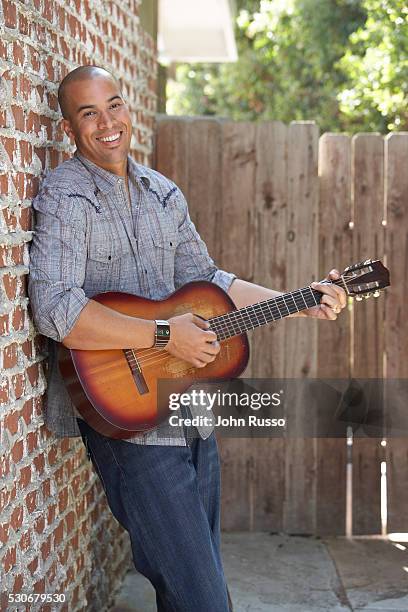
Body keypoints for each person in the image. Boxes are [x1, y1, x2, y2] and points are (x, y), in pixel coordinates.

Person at [28, 66, 346, 612]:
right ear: (68, 127)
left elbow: (212, 283)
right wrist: (161, 333)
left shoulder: (162, 193)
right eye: (89, 113)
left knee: (197, 590)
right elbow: (55, 309)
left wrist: (299, 302)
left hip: (190, 415)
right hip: (127, 428)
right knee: (202, 597)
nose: (107, 122)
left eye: (115, 105)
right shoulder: (65, 195)